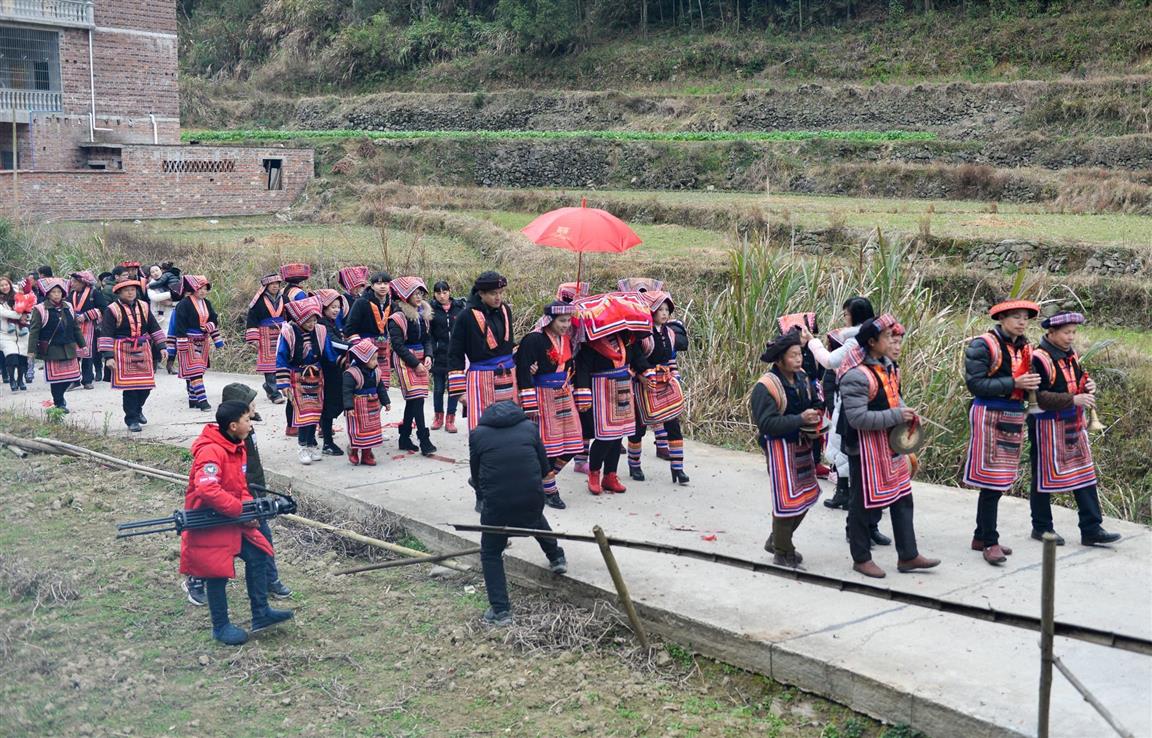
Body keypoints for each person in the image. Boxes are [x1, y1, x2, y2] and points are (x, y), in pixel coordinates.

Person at [179, 401, 293, 646]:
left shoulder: (235, 446)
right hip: (210, 520)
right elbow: (207, 489)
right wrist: (239, 509)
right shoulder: (211, 451)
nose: (251, 425)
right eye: (247, 421)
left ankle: (261, 614)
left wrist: (249, 509)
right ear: (233, 426)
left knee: (259, 555)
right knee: (216, 573)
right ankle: (220, 627)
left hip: (231, 517)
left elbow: (239, 486)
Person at [839, 314, 939, 579]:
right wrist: (897, 416)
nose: (893, 341)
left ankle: (908, 555)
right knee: (863, 503)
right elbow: (857, 418)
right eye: (887, 337)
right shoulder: (856, 377)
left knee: (903, 497)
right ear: (872, 342)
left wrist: (906, 412)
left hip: (888, 446)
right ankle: (861, 558)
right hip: (864, 449)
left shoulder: (890, 367)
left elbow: (895, 400)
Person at [470, 400, 568, 626]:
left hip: (497, 506)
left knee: (491, 552)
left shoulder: (477, 435)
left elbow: (475, 475)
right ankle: (556, 557)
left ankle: (501, 611)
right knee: (534, 517)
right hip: (532, 498)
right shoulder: (530, 428)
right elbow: (545, 469)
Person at [1029, 312, 1122, 547]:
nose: (1071, 337)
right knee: (1043, 476)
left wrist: (1088, 386)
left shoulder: (1072, 356)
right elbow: (1037, 398)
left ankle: (1091, 528)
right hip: (1046, 425)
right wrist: (1074, 399)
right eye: (1066, 332)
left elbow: (1077, 384)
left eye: (1073, 332)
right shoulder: (1038, 358)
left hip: (1073, 422)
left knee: (1085, 474)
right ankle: (1042, 527)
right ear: (1051, 333)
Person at [962, 298, 1041, 565]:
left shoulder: (1025, 347)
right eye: (1016, 316)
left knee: (1002, 477)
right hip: (989, 413)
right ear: (1002, 319)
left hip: (1013, 413)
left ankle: (980, 536)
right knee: (991, 480)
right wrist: (1015, 382)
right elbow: (976, 384)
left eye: (1025, 318)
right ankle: (990, 541)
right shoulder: (983, 345)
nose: (1022, 322)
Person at [751, 329, 825, 567]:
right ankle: (783, 551)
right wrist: (800, 419)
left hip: (802, 446)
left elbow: (815, 401)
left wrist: (816, 412)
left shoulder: (803, 377)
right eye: (793, 355)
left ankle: (777, 539)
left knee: (808, 495)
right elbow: (766, 423)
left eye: (799, 354)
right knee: (787, 501)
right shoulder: (766, 386)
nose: (798, 359)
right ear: (780, 359)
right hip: (778, 447)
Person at [573, 305, 652, 496]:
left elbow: (637, 359)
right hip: (601, 389)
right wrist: (583, 393)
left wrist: (645, 373)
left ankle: (610, 475)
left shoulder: (627, 339)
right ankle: (594, 473)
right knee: (604, 435)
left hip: (624, 387)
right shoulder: (590, 344)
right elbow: (582, 369)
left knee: (619, 434)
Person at [516, 301, 584, 510]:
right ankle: (550, 490)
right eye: (561, 321)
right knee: (547, 448)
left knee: (573, 444)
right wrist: (529, 403)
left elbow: (572, 367)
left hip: (564, 395)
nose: (566, 326)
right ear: (550, 320)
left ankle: (540, 480)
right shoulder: (534, 340)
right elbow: (522, 369)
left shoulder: (566, 340)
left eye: (568, 322)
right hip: (542, 397)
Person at [811, 296, 874, 512]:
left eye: (846, 314)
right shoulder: (874, 336)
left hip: (850, 399)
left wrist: (813, 343)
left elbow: (829, 361)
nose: (844, 319)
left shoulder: (854, 340)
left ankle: (850, 496)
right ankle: (847, 493)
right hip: (867, 398)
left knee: (845, 445)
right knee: (847, 446)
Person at [627, 291, 690, 485]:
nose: (664, 313)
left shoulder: (669, 333)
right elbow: (633, 361)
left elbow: (671, 360)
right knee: (638, 428)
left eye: (667, 309)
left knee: (673, 425)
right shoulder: (640, 335)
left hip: (665, 383)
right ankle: (634, 464)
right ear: (651, 311)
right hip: (643, 384)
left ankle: (678, 468)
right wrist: (642, 375)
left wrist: (676, 379)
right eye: (660, 309)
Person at [448, 271, 517, 437]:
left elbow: (509, 344)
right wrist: (459, 391)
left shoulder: (505, 310)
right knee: (484, 429)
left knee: (510, 426)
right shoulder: (466, 316)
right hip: (481, 378)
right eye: (493, 293)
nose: (498, 297)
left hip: (508, 377)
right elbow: (455, 353)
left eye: (501, 293)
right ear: (481, 293)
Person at [98, 279, 166, 432]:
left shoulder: (144, 306)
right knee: (130, 388)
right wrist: (108, 356)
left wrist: (162, 346)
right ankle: (131, 419)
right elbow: (106, 333)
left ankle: (137, 409)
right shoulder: (112, 310)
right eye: (126, 290)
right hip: (123, 350)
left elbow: (154, 327)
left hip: (143, 348)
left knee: (146, 386)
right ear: (119, 293)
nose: (130, 293)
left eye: (133, 290)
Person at [276, 296, 338, 465]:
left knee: (314, 413)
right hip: (297, 376)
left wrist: (342, 363)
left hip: (316, 376)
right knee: (303, 414)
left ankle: (311, 445)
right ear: (299, 319)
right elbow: (281, 358)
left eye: (314, 320)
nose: (312, 324)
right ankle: (302, 447)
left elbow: (328, 353)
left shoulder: (320, 331)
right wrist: (283, 384)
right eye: (308, 320)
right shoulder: (288, 333)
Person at [389, 277, 436, 456]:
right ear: (405, 295)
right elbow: (398, 346)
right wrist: (415, 364)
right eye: (415, 293)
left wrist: (429, 355)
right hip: (405, 360)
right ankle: (423, 439)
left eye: (421, 293)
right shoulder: (397, 318)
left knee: (416, 399)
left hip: (420, 359)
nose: (419, 297)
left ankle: (404, 437)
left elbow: (426, 339)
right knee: (416, 398)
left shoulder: (422, 315)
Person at [28, 279, 85, 412]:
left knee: (73, 377)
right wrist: (31, 351)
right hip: (51, 349)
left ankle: (60, 397)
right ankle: (59, 403)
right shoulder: (40, 309)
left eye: (59, 292)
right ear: (48, 294)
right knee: (56, 380)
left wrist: (83, 344)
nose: (56, 294)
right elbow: (34, 331)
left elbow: (75, 327)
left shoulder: (68, 307)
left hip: (69, 347)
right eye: (53, 292)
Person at [168, 275, 224, 412]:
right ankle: (203, 400)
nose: (203, 291)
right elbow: (179, 325)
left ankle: (193, 399)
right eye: (200, 288)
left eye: (205, 289)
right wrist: (181, 344)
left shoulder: (207, 303)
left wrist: (211, 329)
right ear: (193, 289)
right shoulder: (184, 304)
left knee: (198, 370)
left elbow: (213, 319)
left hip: (203, 341)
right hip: (188, 340)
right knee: (196, 369)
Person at [343, 338, 391, 466]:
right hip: (357, 408)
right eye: (373, 359)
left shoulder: (376, 372)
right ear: (363, 359)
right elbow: (346, 391)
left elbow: (380, 387)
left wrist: (386, 402)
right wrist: (349, 407)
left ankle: (366, 455)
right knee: (358, 431)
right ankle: (353, 451)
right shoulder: (351, 374)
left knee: (371, 431)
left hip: (372, 406)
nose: (376, 362)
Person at [345, 271, 395, 392]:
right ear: (372, 286)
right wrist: (362, 349)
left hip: (383, 352)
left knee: (382, 388)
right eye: (378, 283)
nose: (382, 286)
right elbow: (350, 329)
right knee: (365, 386)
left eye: (385, 283)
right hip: (365, 351)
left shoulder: (391, 304)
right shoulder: (361, 303)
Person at [315, 289, 350, 456]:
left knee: (333, 404)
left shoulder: (330, 322)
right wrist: (353, 347)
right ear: (324, 308)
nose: (336, 310)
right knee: (330, 405)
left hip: (334, 369)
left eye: (338, 307)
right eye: (332, 307)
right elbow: (334, 344)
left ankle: (325, 437)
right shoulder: (322, 324)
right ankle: (327, 442)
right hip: (329, 370)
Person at [244, 273, 288, 404]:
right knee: (269, 365)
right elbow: (252, 319)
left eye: (277, 284)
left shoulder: (285, 299)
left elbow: (291, 315)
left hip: (282, 334)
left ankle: (272, 387)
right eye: (272, 284)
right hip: (265, 335)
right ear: (266, 286)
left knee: (281, 361)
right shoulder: (257, 302)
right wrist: (254, 338)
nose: (275, 286)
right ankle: (274, 393)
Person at [428, 280, 465, 433]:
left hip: (456, 356)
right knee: (438, 389)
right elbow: (429, 334)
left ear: (450, 291)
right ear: (434, 294)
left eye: (445, 292)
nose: (442, 296)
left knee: (454, 389)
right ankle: (438, 418)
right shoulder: (431, 309)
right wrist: (430, 352)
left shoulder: (460, 307)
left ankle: (451, 419)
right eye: (438, 293)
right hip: (439, 355)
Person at [67, 271, 106, 388]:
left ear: (82, 282)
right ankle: (74, 379)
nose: (72, 284)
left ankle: (87, 380)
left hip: (89, 327)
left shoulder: (94, 293)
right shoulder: (72, 294)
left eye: (74, 282)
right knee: (74, 354)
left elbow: (103, 308)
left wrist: (85, 316)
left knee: (87, 354)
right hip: (74, 327)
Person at [0, 275, 32, 392]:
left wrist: (26, 314)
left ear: (10, 284)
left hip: (22, 333)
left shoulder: (19, 296)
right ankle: (12, 380)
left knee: (22, 358)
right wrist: (20, 314)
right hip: (6, 334)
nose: (4, 287)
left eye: (6, 284)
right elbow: (4, 313)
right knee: (11, 357)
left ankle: (20, 380)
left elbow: (30, 311)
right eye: (2, 285)